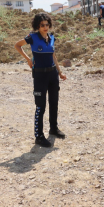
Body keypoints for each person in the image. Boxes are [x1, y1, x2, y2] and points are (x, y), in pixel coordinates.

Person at [14, 13, 67, 147]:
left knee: (54, 103)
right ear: (37, 25)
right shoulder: (32, 37)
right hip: (40, 76)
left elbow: (53, 56)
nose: (45, 27)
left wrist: (60, 72)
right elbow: (17, 45)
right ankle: (39, 136)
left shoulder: (51, 38)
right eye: (42, 25)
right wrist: (28, 60)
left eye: (47, 24)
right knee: (40, 106)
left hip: (52, 75)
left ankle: (53, 129)